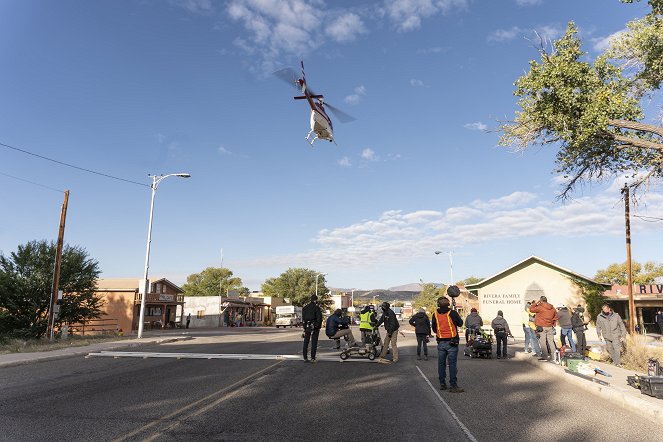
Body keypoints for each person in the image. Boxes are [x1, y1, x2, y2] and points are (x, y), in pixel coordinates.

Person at [432, 297, 464, 393]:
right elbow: (460, 323)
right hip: (452, 342)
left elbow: (434, 328)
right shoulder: (452, 313)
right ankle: (453, 385)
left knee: (441, 364)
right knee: (452, 364)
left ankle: (442, 384)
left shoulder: (435, 315)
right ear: (448, 304)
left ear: (438, 304)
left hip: (441, 342)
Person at [529, 296, 558, 361]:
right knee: (551, 342)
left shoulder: (540, 307)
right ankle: (554, 357)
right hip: (550, 326)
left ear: (541, 301)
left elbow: (531, 309)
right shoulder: (552, 308)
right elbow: (556, 316)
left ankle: (545, 356)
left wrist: (535, 303)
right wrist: (552, 323)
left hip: (541, 327)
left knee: (543, 342)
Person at [302, 295, 323, 362]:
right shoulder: (316, 308)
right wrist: (317, 326)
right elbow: (319, 318)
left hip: (307, 326)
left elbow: (303, 318)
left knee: (306, 342)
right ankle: (312, 358)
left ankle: (305, 358)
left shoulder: (305, 308)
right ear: (316, 300)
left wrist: (304, 327)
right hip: (314, 326)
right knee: (314, 342)